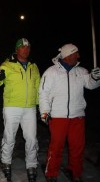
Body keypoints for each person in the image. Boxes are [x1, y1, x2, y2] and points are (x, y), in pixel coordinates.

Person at [39, 43, 100, 182]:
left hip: (77, 116)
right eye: (75, 53)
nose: (78, 56)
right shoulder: (51, 72)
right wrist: (44, 112)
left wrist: (96, 78)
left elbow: (91, 85)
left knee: (77, 147)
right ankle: (51, 173)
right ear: (68, 55)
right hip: (58, 116)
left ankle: (76, 172)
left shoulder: (81, 71)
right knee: (56, 147)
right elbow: (43, 93)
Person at [0, 38, 40, 182]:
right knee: (9, 136)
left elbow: (38, 87)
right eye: (23, 47)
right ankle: (6, 161)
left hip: (30, 107)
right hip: (12, 106)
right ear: (17, 49)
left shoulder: (33, 66)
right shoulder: (7, 65)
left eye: (28, 47)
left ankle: (31, 165)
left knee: (31, 138)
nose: (26, 49)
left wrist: (40, 105)